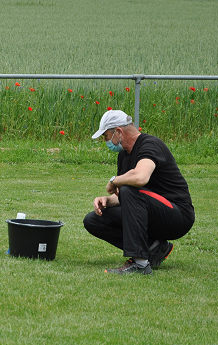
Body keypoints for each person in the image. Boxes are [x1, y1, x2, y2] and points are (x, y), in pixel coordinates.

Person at [83, 110, 195, 275]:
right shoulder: (123, 155)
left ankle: (140, 263)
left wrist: (114, 180)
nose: (106, 141)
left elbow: (140, 178)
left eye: (106, 136)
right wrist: (108, 200)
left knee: (129, 189)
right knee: (93, 220)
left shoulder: (150, 145)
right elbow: (128, 197)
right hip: (152, 211)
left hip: (178, 215)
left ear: (118, 132)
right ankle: (154, 247)